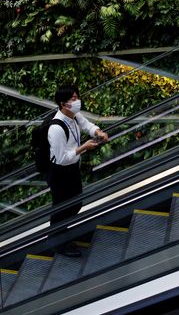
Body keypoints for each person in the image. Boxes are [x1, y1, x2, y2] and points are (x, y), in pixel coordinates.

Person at [47, 84, 109, 257]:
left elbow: (86, 125)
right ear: (63, 103)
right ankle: (57, 243)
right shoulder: (56, 128)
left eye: (77, 97)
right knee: (61, 208)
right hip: (60, 172)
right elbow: (62, 158)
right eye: (72, 99)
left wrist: (98, 131)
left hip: (72, 169)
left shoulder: (74, 115)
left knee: (75, 203)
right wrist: (84, 147)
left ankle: (61, 236)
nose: (77, 101)